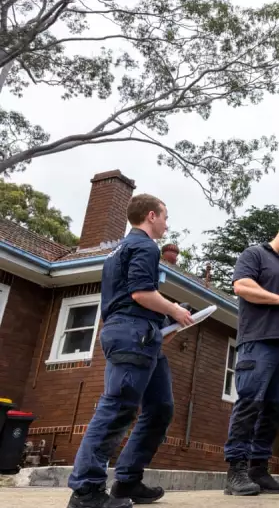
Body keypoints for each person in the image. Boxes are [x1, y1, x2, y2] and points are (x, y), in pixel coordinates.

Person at [67, 194, 194, 508]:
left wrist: (165, 318)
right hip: (131, 334)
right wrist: (175, 310)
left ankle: (127, 481)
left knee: (160, 407)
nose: (167, 223)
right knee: (118, 408)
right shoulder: (144, 246)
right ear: (151, 216)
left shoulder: (119, 250)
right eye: (165, 216)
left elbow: (130, 294)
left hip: (141, 335)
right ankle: (86, 491)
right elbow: (140, 293)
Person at [222, 218, 279, 496]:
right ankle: (235, 471)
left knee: (275, 410)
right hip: (257, 341)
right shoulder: (255, 254)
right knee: (250, 403)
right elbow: (241, 287)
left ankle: (258, 470)